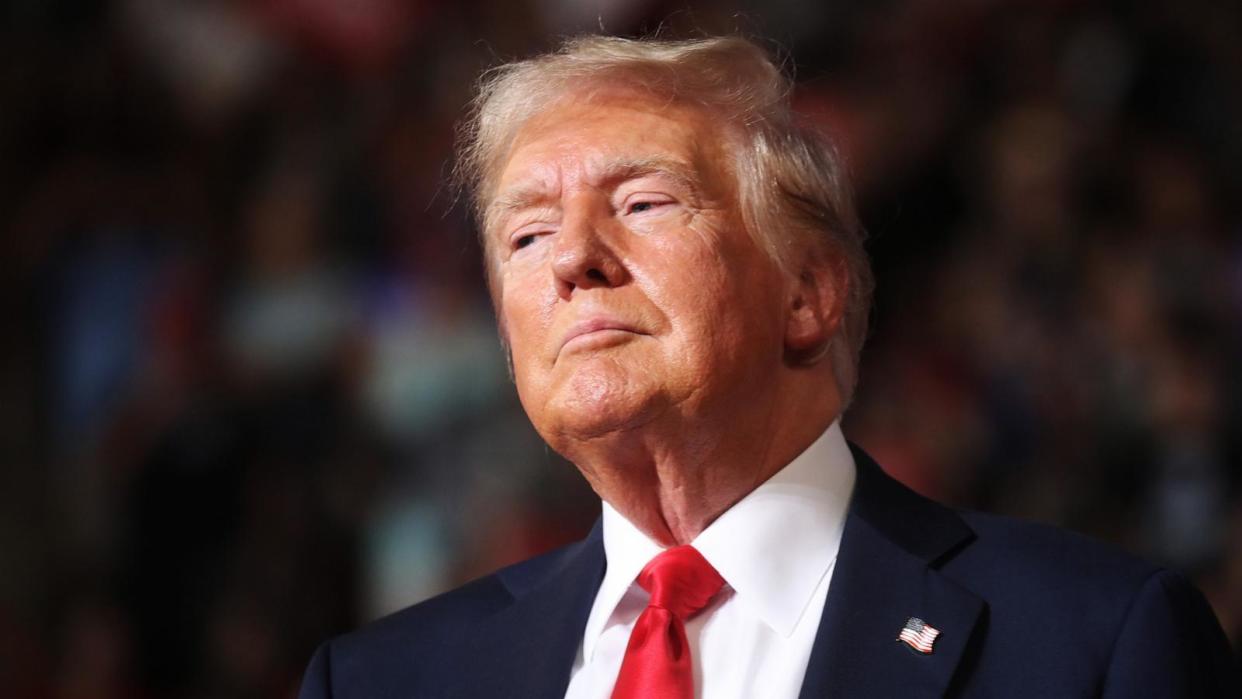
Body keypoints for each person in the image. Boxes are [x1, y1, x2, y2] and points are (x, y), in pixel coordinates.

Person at [298, 35, 1236, 698]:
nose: (571, 259)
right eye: (527, 232)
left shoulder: (1093, 642)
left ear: (806, 295)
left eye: (645, 202)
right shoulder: (382, 680)